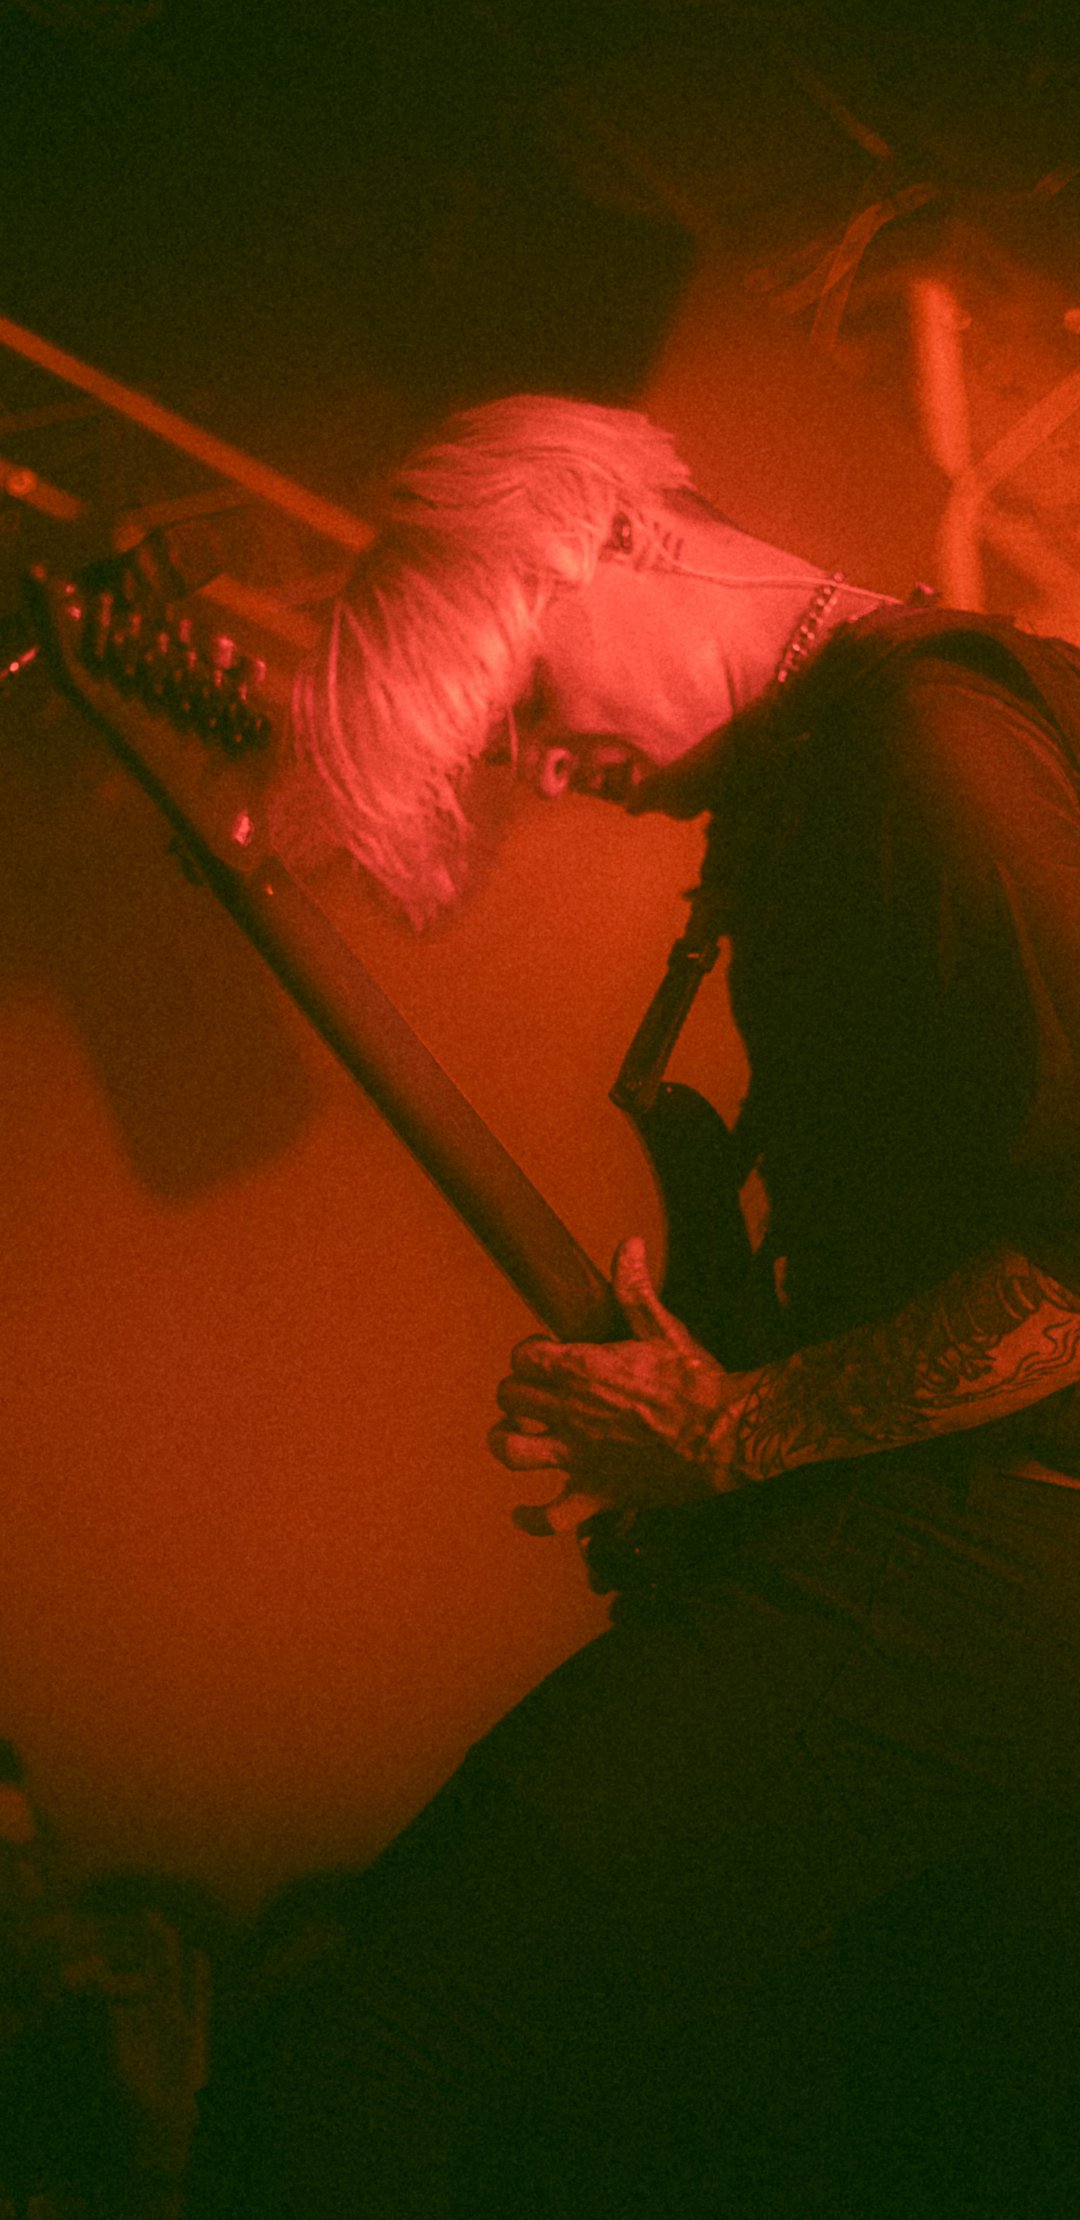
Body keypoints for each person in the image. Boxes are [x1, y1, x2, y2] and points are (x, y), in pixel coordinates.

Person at [186, 397, 1080, 2216]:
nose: (536, 770)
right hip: (967, 1542)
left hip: (1003, 1549)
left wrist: (732, 1430)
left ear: (625, 532)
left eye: (520, 702)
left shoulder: (930, 756)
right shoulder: (836, 766)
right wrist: (727, 1390)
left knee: (365, 2029)